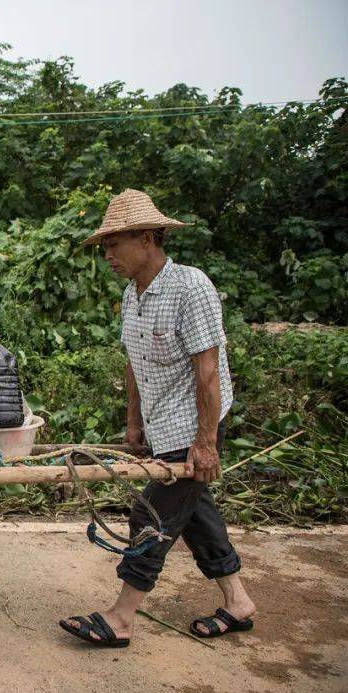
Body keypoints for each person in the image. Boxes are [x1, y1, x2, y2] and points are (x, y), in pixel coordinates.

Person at [60, 189, 257, 647]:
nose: (107, 255)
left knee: (152, 514)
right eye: (104, 246)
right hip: (162, 422)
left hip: (196, 424)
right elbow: (135, 363)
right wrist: (135, 422)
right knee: (195, 514)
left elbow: (207, 371)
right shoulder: (134, 295)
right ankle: (238, 602)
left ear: (147, 238)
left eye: (114, 244)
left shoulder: (192, 287)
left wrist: (205, 443)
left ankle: (122, 617)